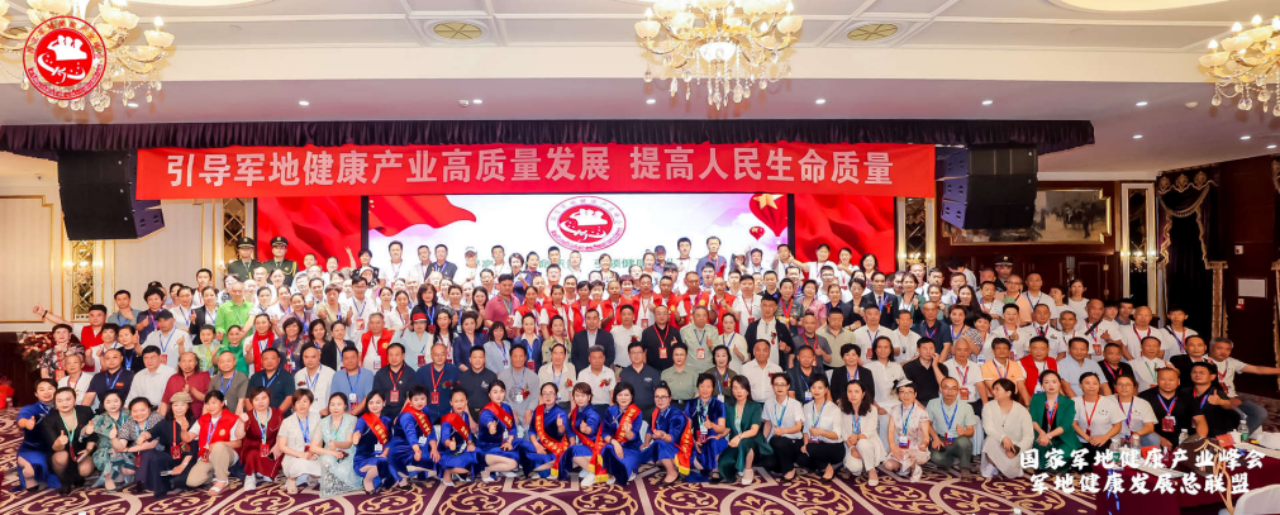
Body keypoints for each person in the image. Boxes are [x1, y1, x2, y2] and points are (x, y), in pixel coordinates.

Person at [1207, 337, 1280, 434]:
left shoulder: (1232, 361)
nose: (1223, 352)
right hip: (1216, 398)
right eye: (1219, 348)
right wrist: (1226, 399)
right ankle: (1228, 437)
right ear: (1211, 347)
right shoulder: (1202, 361)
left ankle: (1239, 438)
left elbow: (1257, 369)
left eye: (1227, 349)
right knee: (1236, 416)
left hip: (1234, 397)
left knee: (1260, 412)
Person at [40, 386, 97, 493]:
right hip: (61, 451)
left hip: (82, 449)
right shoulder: (49, 420)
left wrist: (88, 450)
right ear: (55, 404)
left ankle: (78, 476)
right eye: (60, 401)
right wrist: (59, 443)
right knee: (61, 457)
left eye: (68, 399)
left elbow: (94, 435)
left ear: (75, 400)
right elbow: (54, 447)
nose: (64, 403)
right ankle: (64, 481)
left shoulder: (86, 412)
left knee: (85, 470)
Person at [185, 391, 241, 494]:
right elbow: (188, 438)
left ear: (222, 403)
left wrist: (220, 444)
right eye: (207, 403)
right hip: (207, 456)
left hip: (227, 454)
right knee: (192, 482)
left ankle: (222, 480)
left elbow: (238, 443)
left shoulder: (233, 419)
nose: (210, 406)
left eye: (214, 403)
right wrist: (183, 429)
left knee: (219, 446)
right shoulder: (203, 419)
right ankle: (216, 474)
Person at [717, 376, 768, 486]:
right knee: (723, 465)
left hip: (753, 441)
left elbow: (754, 430)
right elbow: (728, 428)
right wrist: (719, 436)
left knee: (745, 442)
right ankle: (739, 465)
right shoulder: (728, 406)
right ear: (732, 390)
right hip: (735, 442)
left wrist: (739, 437)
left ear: (747, 390)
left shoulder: (755, 406)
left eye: (742, 388)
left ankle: (748, 469)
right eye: (735, 388)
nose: (738, 391)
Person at [980, 379, 1034, 478]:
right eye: (993, 389)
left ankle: (1014, 467)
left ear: (1008, 393)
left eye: (997, 389)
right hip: (998, 442)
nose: (993, 392)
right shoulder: (988, 407)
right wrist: (1003, 437)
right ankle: (992, 465)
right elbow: (988, 428)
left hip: (1016, 446)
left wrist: (1016, 450)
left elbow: (1029, 436)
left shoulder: (1022, 410)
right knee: (990, 440)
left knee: (1012, 471)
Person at [1027, 370, 1078, 472]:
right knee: (1042, 465)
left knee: (1057, 462)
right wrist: (1042, 433)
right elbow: (1033, 419)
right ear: (1042, 385)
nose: (1051, 385)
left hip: (1062, 438)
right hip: (1041, 437)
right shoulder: (1036, 398)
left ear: (1059, 383)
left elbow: (1065, 426)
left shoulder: (1069, 403)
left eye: (1054, 382)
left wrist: (1049, 436)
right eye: (1046, 382)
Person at [313, 392, 361, 496]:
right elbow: (313, 447)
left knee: (344, 471)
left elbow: (348, 444)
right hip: (329, 452)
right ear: (328, 406)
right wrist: (332, 452)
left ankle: (335, 481)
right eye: (332, 404)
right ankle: (331, 482)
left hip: (348, 453)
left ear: (345, 406)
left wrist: (336, 444)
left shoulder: (351, 419)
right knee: (326, 460)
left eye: (339, 404)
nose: (335, 407)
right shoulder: (323, 422)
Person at [389, 386, 439, 486]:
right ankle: (402, 472)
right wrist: (417, 451)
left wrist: (434, 449)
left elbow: (430, 430)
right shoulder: (406, 416)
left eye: (422, 399)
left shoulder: (425, 410)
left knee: (438, 458)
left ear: (426, 400)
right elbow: (410, 435)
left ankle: (414, 472)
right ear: (410, 402)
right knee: (437, 466)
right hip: (403, 451)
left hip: (419, 447)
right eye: (416, 400)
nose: (419, 402)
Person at [1071, 373, 1122, 469]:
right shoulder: (1074, 402)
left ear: (1099, 385)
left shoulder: (1109, 403)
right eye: (1087, 383)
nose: (1091, 386)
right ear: (1081, 385)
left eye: (1095, 383)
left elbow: (1117, 425)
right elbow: (1074, 424)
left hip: (1103, 440)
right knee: (1080, 467)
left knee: (1098, 464)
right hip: (1080, 440)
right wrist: (1088, 438)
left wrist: (1104, 437)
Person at [796, 376, 843, 482]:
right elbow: (806, 429)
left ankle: (828, 468)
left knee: (812, 448)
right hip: (814, 444)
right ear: (810, 389)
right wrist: (805, 445)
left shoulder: (834, 409)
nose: (816, 391)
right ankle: (821, 464)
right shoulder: (807, 406)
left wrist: (821, 432)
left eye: (820, 388)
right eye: (813, 387)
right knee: (801, 459)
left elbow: (837, 435)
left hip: (833, 446)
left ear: (826, 389)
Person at [237, 386, 283, 491]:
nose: (260, 402)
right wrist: (240, 422)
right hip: (252, 448)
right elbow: (239, 436)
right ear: (252, 402)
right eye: (256, 399)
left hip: (271, 447)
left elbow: (283, 433)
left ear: (269, 399)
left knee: (280, 452)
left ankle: (263, 471)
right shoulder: (248, 415)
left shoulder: (278, 414)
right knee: (252, 454)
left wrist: (277, 445)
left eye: (264, 398)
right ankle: (250, 476)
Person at [926, 377, 977, 472]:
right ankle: (955, 460)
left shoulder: (967, 407)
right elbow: (927, 424)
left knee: (964, 443)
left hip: (958, 439)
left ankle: (965, 468)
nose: (950, 391)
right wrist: (935, 438)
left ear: (958, 391)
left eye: (954, 388)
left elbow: (971, 432)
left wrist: (963, 432)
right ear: (941, 389)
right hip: (941, 440)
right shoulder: (932, 403)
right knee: (935, 458)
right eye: (946, 388)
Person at [563, 382, 609, 487]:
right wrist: (572, 441)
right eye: (577, 396)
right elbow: (570, 428)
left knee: (571, 452)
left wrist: (586, 430)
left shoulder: (592, 412)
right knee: (567, 451)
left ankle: (593, 472)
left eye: (583, 396)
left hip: (598, 447)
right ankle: (588, 467)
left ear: (589, 397)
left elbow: (591, 428)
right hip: (586, 445)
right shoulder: (576, 411)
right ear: (573, 397)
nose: (580, 399)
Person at [840, 380, 885, 486]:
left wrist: (857, 437)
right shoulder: (842, 409)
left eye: (856, 391)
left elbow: (870, 431)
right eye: (850, 391)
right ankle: (864, 462)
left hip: (868, 442)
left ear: (863, 394)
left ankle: (871, 470)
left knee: (862, 443)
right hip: (851, 444)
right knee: (855, 469)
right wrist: (852, 448)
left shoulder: (872, 409)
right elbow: (844, 432)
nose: (853, 395)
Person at [645, 383, 692, 485]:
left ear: (670, 398)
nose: (660, 400)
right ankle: (665, 461)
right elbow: (650, 429)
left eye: (664, 397)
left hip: (678, 448)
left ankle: (672, 472)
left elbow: (672, 439)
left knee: (659, 443)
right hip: (663, 445)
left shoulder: (676, 414)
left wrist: (662, 435)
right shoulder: (656, 411)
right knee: (639, 453)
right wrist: (646, 443)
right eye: (657, 397)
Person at [685, 374, 728, 482]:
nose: (705, 390)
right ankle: (704, 467)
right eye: (702, 386)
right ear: (698, 387)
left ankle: (715, 470)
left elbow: (722, 429)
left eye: (708, 386)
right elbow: (687, 428)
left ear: (713, 388)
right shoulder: (691, 404)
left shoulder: (719, 405)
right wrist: (693, 441)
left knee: (713, 442)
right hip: (698, 440)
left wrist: (712, 425)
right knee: (686, 451)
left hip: (714, 438)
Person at [351, 390, 397, 494]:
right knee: (383, 464)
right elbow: (357, 431)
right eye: (371, 403)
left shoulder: (387, 421)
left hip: (382, 457)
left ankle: (376, 478)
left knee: (394, 480)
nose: (374, 405)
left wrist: (384, 453)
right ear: (367, 405)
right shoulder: (363, 420)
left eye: (378, 402)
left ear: (384, 403)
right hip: (363, 461)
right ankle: (367, 480)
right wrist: (356, 436)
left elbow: (390, 441)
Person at [601, 383, 646, 485]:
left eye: (626, 395)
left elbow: (633, 437)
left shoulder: (637, 412)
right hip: (613, 445)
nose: (623, 398)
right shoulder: (610, 410)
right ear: (615, 397)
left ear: (631, 396)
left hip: (632, 447)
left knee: (625, 464)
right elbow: (605, 432)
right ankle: (615, 469)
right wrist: (615, 443)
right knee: (606, 449)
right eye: (620, 395)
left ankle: (615, 470)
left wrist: (627, 432)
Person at [864, 336, 905, 449]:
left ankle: (901, 451)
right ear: (875, 349)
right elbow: (865, 391)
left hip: (897, 404)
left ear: (890, 349)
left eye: (886, 347)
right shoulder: (868, 368)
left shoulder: (897, 367)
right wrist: (876, 407)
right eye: (879, 347)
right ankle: (886, 452)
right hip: (877, 404)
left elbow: (903, 388)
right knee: (885, 422)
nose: (883, 350)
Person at [278, 389, 323, 494]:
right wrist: (300, 455)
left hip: (312, 456)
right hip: (293, 458)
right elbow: (282, 446)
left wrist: (314, 453)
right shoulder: (287, 422)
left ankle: (307, 475)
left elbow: (319, 440)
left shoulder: (317, 418)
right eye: (298, 402)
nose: (302, 405)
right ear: (294, 404)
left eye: (305, 401)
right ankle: (292, 479)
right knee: (299, 464)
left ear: (311, 403)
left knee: (327, 470)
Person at [1138, 368, 1193, 449]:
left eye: (1171, 380)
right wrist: (1159, 439)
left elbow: (1200, 421)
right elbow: (1139, 424)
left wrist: (1195, 439)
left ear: (1178, 382)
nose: (1167, 383)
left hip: (1183, 438)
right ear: (1157, 380)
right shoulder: (1144, 397)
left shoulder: (1187, 397)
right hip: (1153, 438)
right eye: (1163, 379)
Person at [88, 390, 130, 492]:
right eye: (108, 402)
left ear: (121, 401)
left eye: (115, 401)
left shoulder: (129, 415)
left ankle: (120, 477)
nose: (112, 404)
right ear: (103, 404)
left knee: (127, 465)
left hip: (127, 447)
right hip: (105, 449)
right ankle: (109, 478)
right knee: (112, 453)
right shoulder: (99, 418)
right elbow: (86, 429)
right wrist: (87, 430)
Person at [1187, 362, 1241, 439]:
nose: (1197, 375)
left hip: (1214, 435)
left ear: (1212, 377)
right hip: (1190, 432)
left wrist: (1221, 401)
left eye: (1202, 373)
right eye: (1194, 372)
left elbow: (1228, 405)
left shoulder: (1217, 393)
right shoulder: (1185, 392)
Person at [530, 382, 571, 479]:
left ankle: (549, 466)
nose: (548, 396)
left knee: (543, 471)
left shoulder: (560, 412)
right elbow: (532, 430)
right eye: (545, 393)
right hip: (541, 445)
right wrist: (536, 445)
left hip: (556, 447)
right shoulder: (538, 410)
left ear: (556, 395)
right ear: (541, 396)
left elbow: (562, 432)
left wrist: (560, 426)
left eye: (551, 393)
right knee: (523, 452)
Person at [160, 392, 197, 495]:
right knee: (160, 472)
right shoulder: (165, 422)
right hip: (171, 456)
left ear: (188, 406)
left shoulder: (194, 422)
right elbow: (163, 443)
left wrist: (182, 466)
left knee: (183, 479)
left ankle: (178, 482)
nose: (178, 408)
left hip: (188, 458)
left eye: (182, 405)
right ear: (171, 406)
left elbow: (193, 446)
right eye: (175, 405)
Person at [498, 345, 539, 435]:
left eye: (521, 356)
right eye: (515, 356)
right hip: (509, 412)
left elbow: (535, 397)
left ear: (525, 358)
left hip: (527, 412)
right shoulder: (502, 376)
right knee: (510, 437)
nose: (518, 359)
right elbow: (500, 398)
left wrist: (529, 410)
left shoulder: (533, 376)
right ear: (510, 358)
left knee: (529, 437)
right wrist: (511, 410)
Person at [743, 296, 793, 368]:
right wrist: (749, 367)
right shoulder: (753, 326)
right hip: (756, 368)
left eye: (771, 306)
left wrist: (785, 348)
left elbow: (790, 349)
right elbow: (747, 349)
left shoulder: (781, 327)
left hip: (776, 369)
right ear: (761, 306)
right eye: (765, 305)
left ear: (775, 307)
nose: (767, 309)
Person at [1111, 375, 1159, 448]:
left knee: (1153, 438)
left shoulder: (1143, 403)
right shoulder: (1106, 401)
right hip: (1113, 437)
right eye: (1120, 384)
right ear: (1115, 386)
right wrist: (1116, 437)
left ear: (1134, 387)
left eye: (1128, 384)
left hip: (1137, 437)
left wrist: (1137, 434)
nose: (1124, 387)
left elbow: (1149, 427)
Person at [619, 343, 662, 420]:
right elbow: (620, 394)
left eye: (639, 352)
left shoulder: (653, 372)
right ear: (629, 355)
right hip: (630, 411)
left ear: (643, 354)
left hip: (650, 411)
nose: (636, 355)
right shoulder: (624, 373)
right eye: (633, 353)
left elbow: (659, 392)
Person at [246, 348, 296, 414]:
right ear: (261, 361)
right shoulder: (255, 377)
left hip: (280, 416)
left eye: (273, 358)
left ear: (278, 360)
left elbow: (289, 398)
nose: (269, 361)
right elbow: (248, 399)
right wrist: (253, 415)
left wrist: (276, 416)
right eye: (266, 359)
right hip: (257, 417)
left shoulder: (287, 376)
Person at [372, 343, 415, 417]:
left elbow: (412, 397)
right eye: (391, 355)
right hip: (384, 413)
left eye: (397, 355)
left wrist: (401, 415)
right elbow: (376, 395)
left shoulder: (411, 373)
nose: (394, 358)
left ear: (403, 356)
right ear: (387, 356)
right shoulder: (380, 373)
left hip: (404, 412)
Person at [162, 352, 209, 416]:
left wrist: (192, 390)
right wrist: (161, 419)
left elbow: (209, 399)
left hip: (199, 417)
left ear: (196, 363)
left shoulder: (204, 376)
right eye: (184, 361)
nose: (187, 364)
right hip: (176, 417)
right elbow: (165, 402)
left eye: (190, 361)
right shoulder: (173, 378)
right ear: (179, 364)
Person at [981, 339, 1028, 404]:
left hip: (1013, 398)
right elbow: (991, 387)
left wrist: (1027, 405)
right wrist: (1005, 402)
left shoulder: (1015, 365)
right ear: (993, 350)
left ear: (1009, 351)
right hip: (994, 399)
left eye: (1005, 348)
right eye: (998, 348)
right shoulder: (986, 366)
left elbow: (1021, 386)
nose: (1002, 351)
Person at [294, 345, 334, 417]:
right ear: (303, 358)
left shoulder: (330, 373)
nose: (310, 360)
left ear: (319, 357)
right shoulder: (298, 375)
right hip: (304, 415)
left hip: (324, 415)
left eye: (313, 357)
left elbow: (336, 394)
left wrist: (329, 409)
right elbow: (295, 397)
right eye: (306, 357)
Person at [208, 350, 249, 417]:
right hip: (218, 417)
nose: (225, 364)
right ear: (218, 364)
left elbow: (241, 403)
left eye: (228, 361)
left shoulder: (242, 377)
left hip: (235, 416)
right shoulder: (215, 379)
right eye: (222, 362)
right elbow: (208, 401)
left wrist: (235, 421)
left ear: (234, 362)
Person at [539, 344, 577, 409]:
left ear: (565, 356)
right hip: (548, 406)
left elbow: (572, 391)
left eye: (561, 353)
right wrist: (542, 411)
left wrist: (573, 411)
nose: (557, 356)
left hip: (565, 406)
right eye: (555, 353)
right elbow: (540, 393)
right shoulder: (543, 369)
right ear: (551, 355)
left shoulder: (570, 368)